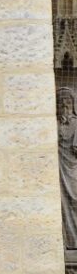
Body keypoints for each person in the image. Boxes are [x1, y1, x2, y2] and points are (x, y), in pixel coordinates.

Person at [59, 88, 77, 248]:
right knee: (63, 204)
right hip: (59, 169)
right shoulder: (55, 125)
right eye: (62, 102)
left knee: (74, 200)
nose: (65, 105)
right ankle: (70, 243)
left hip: (73, 170)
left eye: (68, 102)